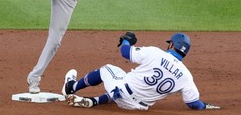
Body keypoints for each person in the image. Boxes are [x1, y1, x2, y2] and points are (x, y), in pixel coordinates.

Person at [61, 32, 221, 110]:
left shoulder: (155, 52)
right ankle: (96, 101)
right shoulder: (186, 76)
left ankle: (71, 87)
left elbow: (125, 52)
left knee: (107, 69)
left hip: (122, 92)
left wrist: (126, 40)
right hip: (138, 107)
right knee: (124, 80)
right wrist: (205, 106)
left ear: (172, 45)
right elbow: (193, 104)